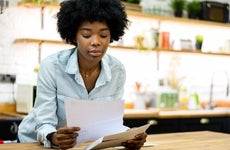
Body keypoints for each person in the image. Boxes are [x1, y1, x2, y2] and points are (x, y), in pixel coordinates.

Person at [18, 0, 147, 149]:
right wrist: (54, 137)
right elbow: (44, 123)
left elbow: (109, 124)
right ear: (74, 36)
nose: (96, 42)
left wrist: (130, 135)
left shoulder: (117, 71)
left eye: (103, 35)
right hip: (33, 143)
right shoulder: (52, 67)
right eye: (86, 35)